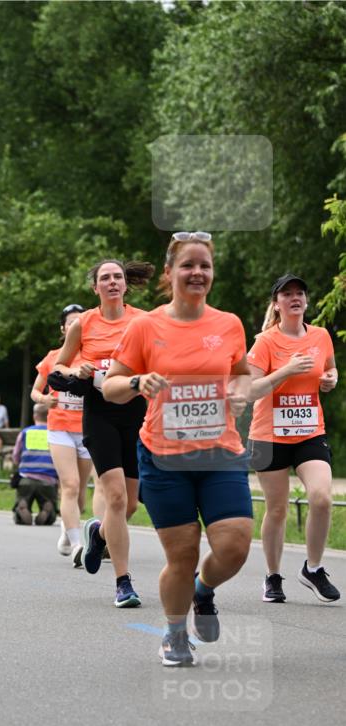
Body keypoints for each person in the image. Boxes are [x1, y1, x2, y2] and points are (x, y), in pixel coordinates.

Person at [103, 232, 253, 666]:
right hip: (164, 456)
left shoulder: (229, 324)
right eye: (188, 265)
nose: (197, 273)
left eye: (204, 265)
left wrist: (239, 391)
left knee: (236, 544)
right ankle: (174, 634)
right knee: (182, 555)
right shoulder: (145, 326)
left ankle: (204, 592)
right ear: (169, 274)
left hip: (219, 452)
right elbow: (111, 386)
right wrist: (137, 382)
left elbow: (240, 372)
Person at [53, 258, 155, 607]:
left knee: (129, 505)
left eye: (118, 277)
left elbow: (159, 358)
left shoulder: (144, 320)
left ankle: (97, 532)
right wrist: (76, 367)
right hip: (99, 416)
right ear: (95, 287)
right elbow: (59, 364)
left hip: (138, 414)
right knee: (114, 498)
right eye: (105, 278)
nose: (112, 282)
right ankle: (123, 584)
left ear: (126, 285)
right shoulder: (84, 323)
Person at [247, 273, 340, 603]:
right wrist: (286, 370)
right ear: (277, 303)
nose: (295, 297)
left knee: (322, 498)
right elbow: (250, 389)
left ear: (306, 301)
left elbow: (329, 370)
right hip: (268, 436)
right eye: (287, 294)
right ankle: (272, 577)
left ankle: (312, 568)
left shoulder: (320, 336)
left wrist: (330, 379)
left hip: (309, 432)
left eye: (300, 292)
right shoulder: (265, 342)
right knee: (277, 510)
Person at [32, 304, 105, 567]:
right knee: (71, 485)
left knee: (81, 494)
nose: (76, 326)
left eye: (81, 322)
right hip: (60, 428)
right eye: (71, 322)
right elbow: (35, 391)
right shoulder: (54, 357)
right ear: (64, 329)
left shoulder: (94, 356)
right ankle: (77, 546)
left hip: (86, 429)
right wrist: (45, 400)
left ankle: (68, 529)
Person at [11, 404, 59, 525]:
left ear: (34, 416)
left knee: (20, 513)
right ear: (49, 417)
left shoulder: (25, 433)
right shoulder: (55, 434)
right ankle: (48, 508)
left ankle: (22, 505)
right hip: (48, 481)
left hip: (26, 479)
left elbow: (15, 457)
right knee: (50, 517)